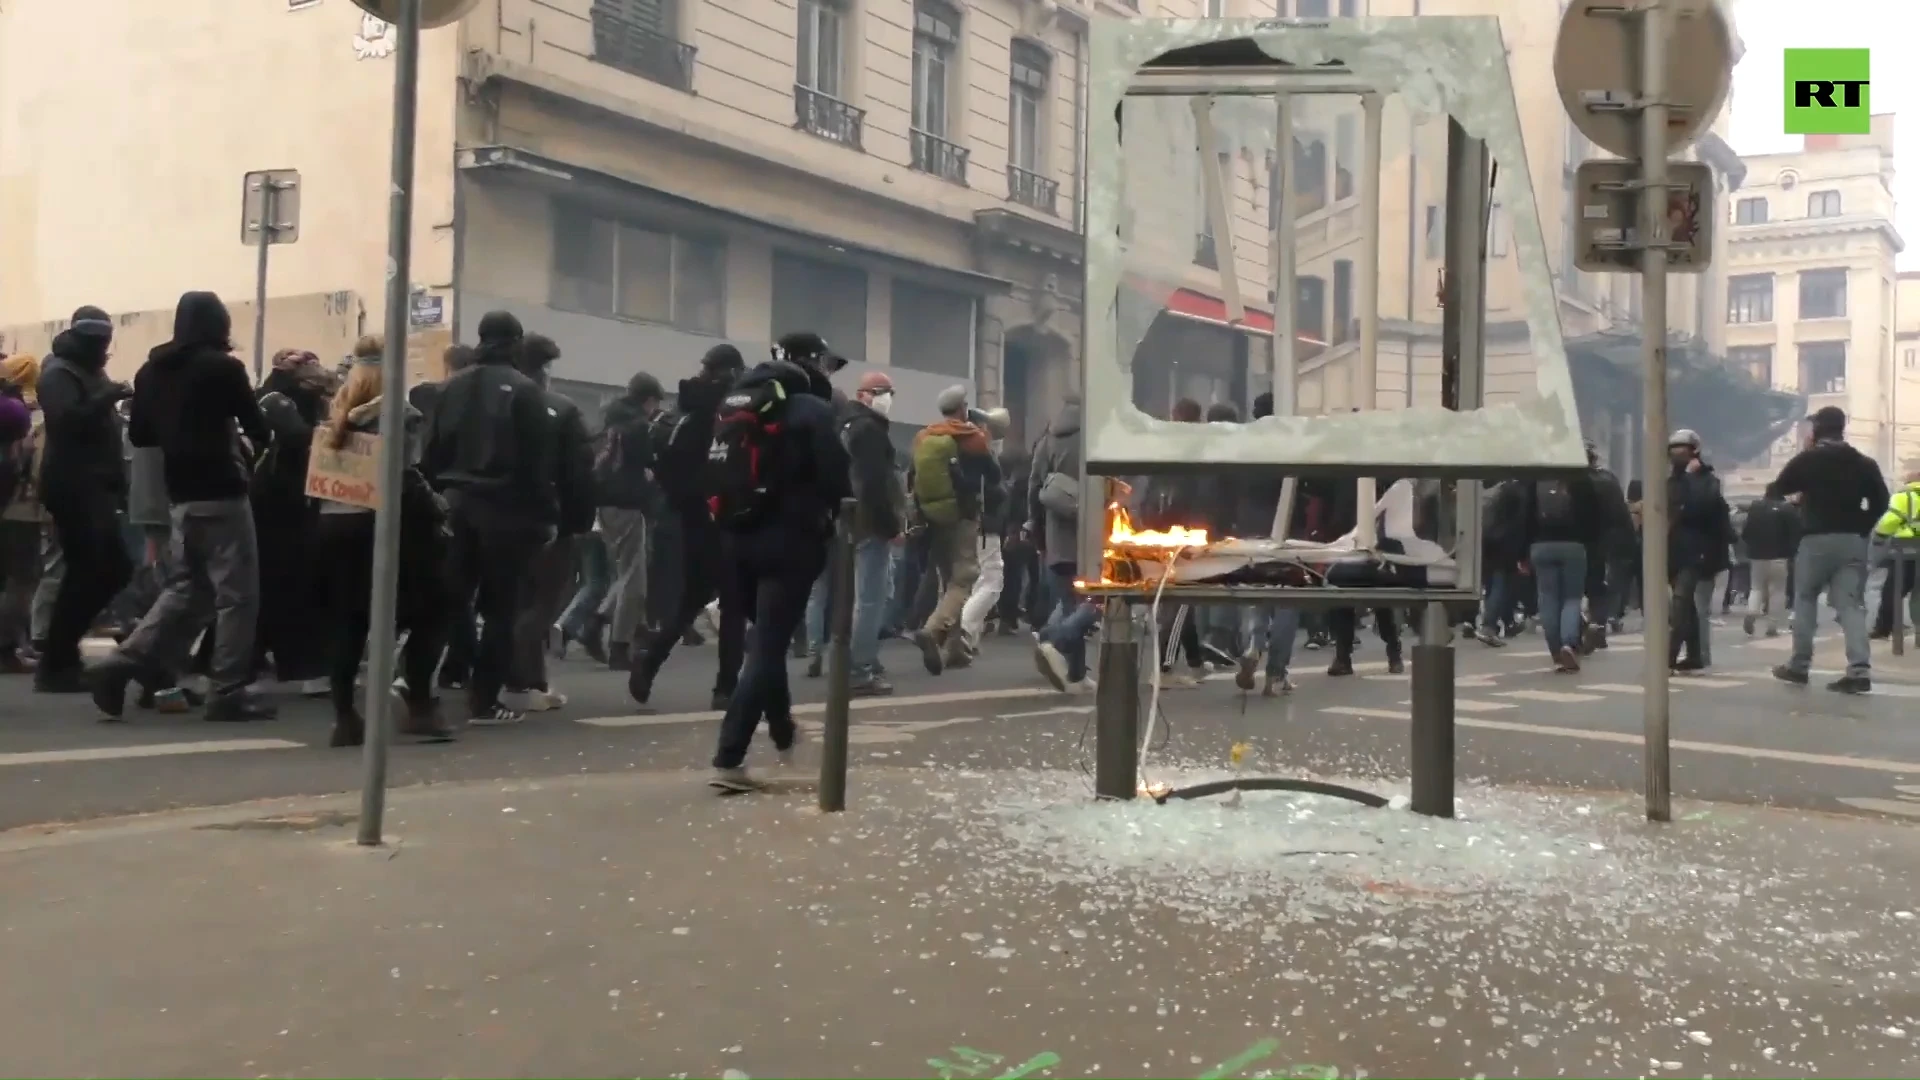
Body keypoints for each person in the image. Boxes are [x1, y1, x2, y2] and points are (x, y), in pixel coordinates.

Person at [91, 292, 276, 721]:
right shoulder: (223, 368)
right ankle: (227, 689)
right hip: (223, 491)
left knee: (187, 589)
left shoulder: (150, 372)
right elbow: (258, 426)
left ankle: (122, 663)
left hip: (180, 495)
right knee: (237, 597)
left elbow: (140, 435)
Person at [705, 331, 852, 790]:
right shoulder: (811, 410)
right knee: (767, 644)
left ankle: (784, 732)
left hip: (734, 537)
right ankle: (729, 758)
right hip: (790, 541)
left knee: (766, 640)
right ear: (810, 364)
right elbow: (836, 478)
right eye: (826, 364)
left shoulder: (736, 404)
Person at [312, 338, 457, 746]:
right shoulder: (401, 415)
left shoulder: (335, 415)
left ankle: (344, 716)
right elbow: (404, 476)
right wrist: (437, 505)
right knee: (434, 609)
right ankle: (419, 702)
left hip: (334, 528)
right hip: (387, 529)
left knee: (349, 620)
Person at [419, 310, 557, 725]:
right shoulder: (525, 391)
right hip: (506, 511)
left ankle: (419, 684)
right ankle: (483, 701)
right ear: (514, 343)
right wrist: (545, 516)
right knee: (501, 609)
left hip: (455, 504)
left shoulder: (448, 388)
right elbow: (538, 463)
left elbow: (430, 454)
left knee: (449, 601)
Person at [627, 344, 747, 711]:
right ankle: (725, 688)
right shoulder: (725, 411)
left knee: (691, 601)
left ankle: (650, 661)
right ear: (731, 373)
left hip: (688, 516)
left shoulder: (684, 405)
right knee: (734, 605)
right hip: (722, 515)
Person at [34, 308, 132, 692]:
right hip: (73, 486)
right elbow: (65, 422)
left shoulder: (87, 370)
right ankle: (57, 660)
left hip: (94, 485)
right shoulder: (60, 372)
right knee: (93, 569)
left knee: (108, 570)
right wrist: (106, 397)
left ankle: (60, 654)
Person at [1766, 407, 1886, 693]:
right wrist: (1861, 526)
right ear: (1842, 428)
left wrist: (1798, 508)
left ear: (1817, 429)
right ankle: (1859, 671)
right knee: (1851, 605)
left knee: (1805, 600)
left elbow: (1776, 488)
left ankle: (1799, 666)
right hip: (1852, 541)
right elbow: (1882, 502)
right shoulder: (1863, 463)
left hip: (1815, 539)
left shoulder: (1808, 460)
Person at [506, 334, 596, 712]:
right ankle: (521, 682)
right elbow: (578, 472)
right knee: (541, 603)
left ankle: (530, 678)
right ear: (542, 368)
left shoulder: (494, 400)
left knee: (507, 604)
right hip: (547, 517)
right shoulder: (559, 408)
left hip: (492, 515)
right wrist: (578, 522)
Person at [251, 348, 332, 688]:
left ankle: (263, 655)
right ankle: (294, 661)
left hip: (285, 500)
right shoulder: (279, 400)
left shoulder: (294, 399)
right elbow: (301, 439)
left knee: (276, 582)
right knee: (286, 580)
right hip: (281, 502)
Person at [907, 385, 1000, 675]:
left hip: (934, 517)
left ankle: (955, 649)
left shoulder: (925, 436)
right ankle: (933, 631)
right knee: (965, 578)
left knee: (948, 581)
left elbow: (912, 477)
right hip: (963, 516)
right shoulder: (972, 438)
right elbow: (994, 476)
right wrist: (984, 436)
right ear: (962, 408)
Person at [837, 371, 903, 696]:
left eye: (890, 392)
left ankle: (862, 661)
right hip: (870, 521)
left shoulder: (847, 426)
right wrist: (891, 526)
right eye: (881, 391)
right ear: (863, 394)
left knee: (866, 596)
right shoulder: (869, 430)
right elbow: (875, 483)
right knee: (872, 598)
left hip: (851, 519)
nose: (886, 397)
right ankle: (860, 669)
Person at [596, 371, 667, 670]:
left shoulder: (611, 418)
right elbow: (649, 465)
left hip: (605, 502)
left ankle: (614, 625)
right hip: (628, 503)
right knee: (633, 579)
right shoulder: (639, 427)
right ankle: (617, 645)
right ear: (648, 400)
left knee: (626, 571)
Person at [1518, 459, 1603, 672]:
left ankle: (1556, 650)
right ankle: (1569, 643)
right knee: (1572, 598)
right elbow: (1593, 517)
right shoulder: (1581, 480)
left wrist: (1522, 552)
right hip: (1574, 545)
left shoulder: (1536, 480)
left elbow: (1525, 517)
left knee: (1548, 598)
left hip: (1541, 546)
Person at [1663, 429, 1734, 673]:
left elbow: (1701, 507)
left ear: (1695, 452)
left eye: (1683, 451)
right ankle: (1694, 655)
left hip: (1696, 553)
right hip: (1672, 552)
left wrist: (1693, 479)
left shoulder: (1706, 481)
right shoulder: (1671, 481)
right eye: (1673, 451)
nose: (1677, 456)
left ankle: (1668, 658)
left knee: (1682, 605)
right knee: (1688, 607)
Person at [0, 355, 44, 673]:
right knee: (20, 578)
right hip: (17, 504)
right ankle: (5, 648)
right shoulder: (14, 409)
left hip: (12, 502)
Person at [1741, 488, 1801, 637]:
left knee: (1756, 587)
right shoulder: (1787, 509)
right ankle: (1772, 626)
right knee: (1778, 591)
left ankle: (1752, 611)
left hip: (1757, 555)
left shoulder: (1755, 507)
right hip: (1780, 557)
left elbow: (1746, 531)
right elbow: (1796, 533)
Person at [1871, 465, 1920, 640]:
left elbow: (1891, 519)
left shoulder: (1904, 496)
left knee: (1893, 590)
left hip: (1906, 551)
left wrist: (1879, 536)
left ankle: (1884, 628)